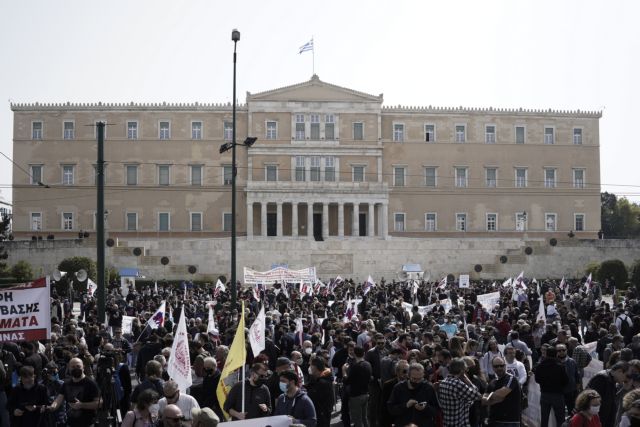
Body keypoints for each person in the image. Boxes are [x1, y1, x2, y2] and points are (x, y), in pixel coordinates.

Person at [47, 357, 101, 427]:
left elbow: (99, 403)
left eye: (78, 366)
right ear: (69, 368)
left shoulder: (91, 383)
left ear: (83, 367)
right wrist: (51, 407)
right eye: (73, 367)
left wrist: (82, 405)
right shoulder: (66, 384)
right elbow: (58, 399)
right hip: (70, 423)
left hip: (87, 423)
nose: (75, 368)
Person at [387, 362, 439, 427]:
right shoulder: (399, 388)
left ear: (423, 375)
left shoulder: (428, 388)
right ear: (408, 376)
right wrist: (405, 405)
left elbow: (436, 410)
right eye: (414, 379)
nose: (417, 381)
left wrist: (425, 408)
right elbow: (391, 409)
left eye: (420, 379)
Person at [437, 357, 481, 427]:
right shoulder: (458, 384)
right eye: (466, 369)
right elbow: (477, 395)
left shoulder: (443, 382)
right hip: (459, 424)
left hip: (447, 423)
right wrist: (468, 382)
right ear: (461, 370)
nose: (467, 371)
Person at [586, 360, 629, 427]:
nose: (626, 379)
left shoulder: (612, 380)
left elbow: (611, 403)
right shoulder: (602, 378)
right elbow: (591, 403)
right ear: (620, 371)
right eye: (626, 375)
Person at [482, 356, 521, 427]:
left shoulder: (511, 379)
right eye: (496, 366)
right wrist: (495, 398)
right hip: (493, 421)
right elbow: (484, 401)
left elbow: (500, 394)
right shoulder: (492, 382)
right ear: (493, 367)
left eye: (501, 365)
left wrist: (490, 398)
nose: (499, 368)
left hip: (509, 422)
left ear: (505, 366)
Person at [534, 346, 569, 427]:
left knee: (544, 418)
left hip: (544, 394)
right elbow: (566, 381)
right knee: (560, 418)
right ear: (556, 354)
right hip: (558, 394)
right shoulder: (560, 366)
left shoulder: (540, 366)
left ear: (546, 354)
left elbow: (537, 379)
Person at [342, 346, 372, 427]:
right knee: (364, 418)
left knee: (358, 421)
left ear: (354, 354)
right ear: (364, 353)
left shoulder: (356, 367)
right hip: (365, 394)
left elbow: (347, 381)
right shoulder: (368, 364)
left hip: (356, 396)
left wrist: (344, 371)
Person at [306, 357, 334, 427]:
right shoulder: (316, 378)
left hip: (321, 415)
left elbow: (312, 396)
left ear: (315, 367)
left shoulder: (323, 383)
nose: (310, 366)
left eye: (311, 365)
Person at [381, 359, 409, 427]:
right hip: (393, 420)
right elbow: (383, 406)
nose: (406, 374)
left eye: (408, 371)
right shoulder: (388, 385)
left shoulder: (411, 384)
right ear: (397, 372)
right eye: (404, 371)